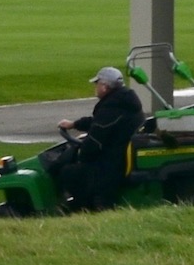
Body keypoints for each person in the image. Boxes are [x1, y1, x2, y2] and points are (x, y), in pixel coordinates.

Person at [60, 66, 144, 209]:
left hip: (112, 164)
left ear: (105, 86)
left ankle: (80, 207)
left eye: (97, 83)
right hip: (120, 155)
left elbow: (93, 144)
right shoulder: (123, 102)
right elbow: (98, 123)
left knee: (68, 172)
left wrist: (81, 154)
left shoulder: (112, 107)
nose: (95, 86)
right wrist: (74, 124)